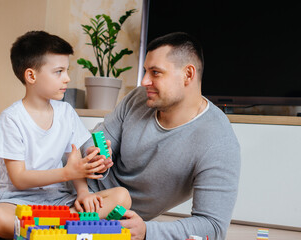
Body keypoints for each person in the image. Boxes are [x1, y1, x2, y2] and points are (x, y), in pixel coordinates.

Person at [82, 32, 241, 240]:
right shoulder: (138, 98)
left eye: (155, 73)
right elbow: (93, 140)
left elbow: (212, 225)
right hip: (74, 184)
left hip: (110, 220)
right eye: (145, 71)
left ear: (188, 75)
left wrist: (148, 231)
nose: (144, 81)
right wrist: (94, 155)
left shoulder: (218, 141)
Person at [0, 31, 131, 239]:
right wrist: (67, 173)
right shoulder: (11, 119)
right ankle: (70, 228)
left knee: (122, 196)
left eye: (66, 70)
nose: (67, 78)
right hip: (18, 200)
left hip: (59, 201)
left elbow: (74, 158)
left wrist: (83, 193)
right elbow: (19, 178)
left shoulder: (66, 112)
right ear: (31, 76)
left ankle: (48, 231)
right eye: (59, 72)